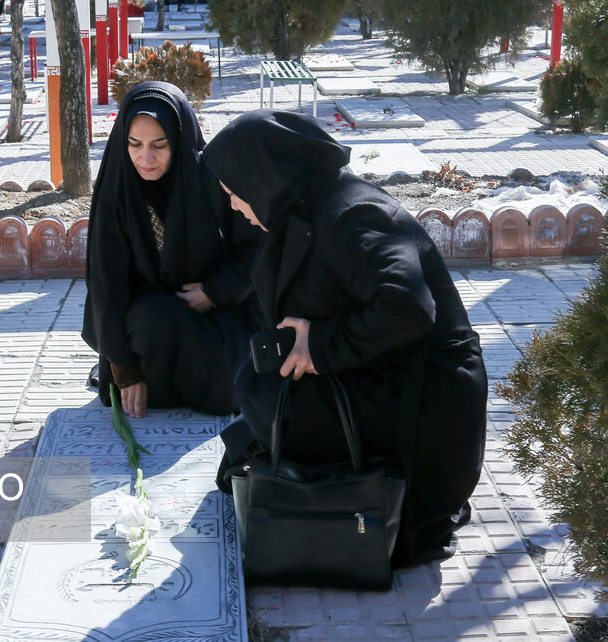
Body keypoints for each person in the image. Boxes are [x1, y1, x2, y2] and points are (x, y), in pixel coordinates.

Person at [206, 110, 488, 567]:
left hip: (428, 404)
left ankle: (379, 500)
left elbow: (408, 306)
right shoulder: (306, 203)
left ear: (263, 177)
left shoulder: (354, 213)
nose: (236, 206)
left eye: (235, 194)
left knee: (260, 395)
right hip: (390, 375)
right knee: (255, 394)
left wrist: (319, 346)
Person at [82, 82, 262, 418]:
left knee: (235, 382)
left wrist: (215, 291)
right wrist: (123, 370)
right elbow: (106, 284)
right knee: (152, 320)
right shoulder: (116, 190)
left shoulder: (212, 180)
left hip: (212, 314)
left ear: (178, 141)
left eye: (159, 145)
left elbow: (256, 247)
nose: (145, 158)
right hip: (148, 326)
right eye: (134, 144)